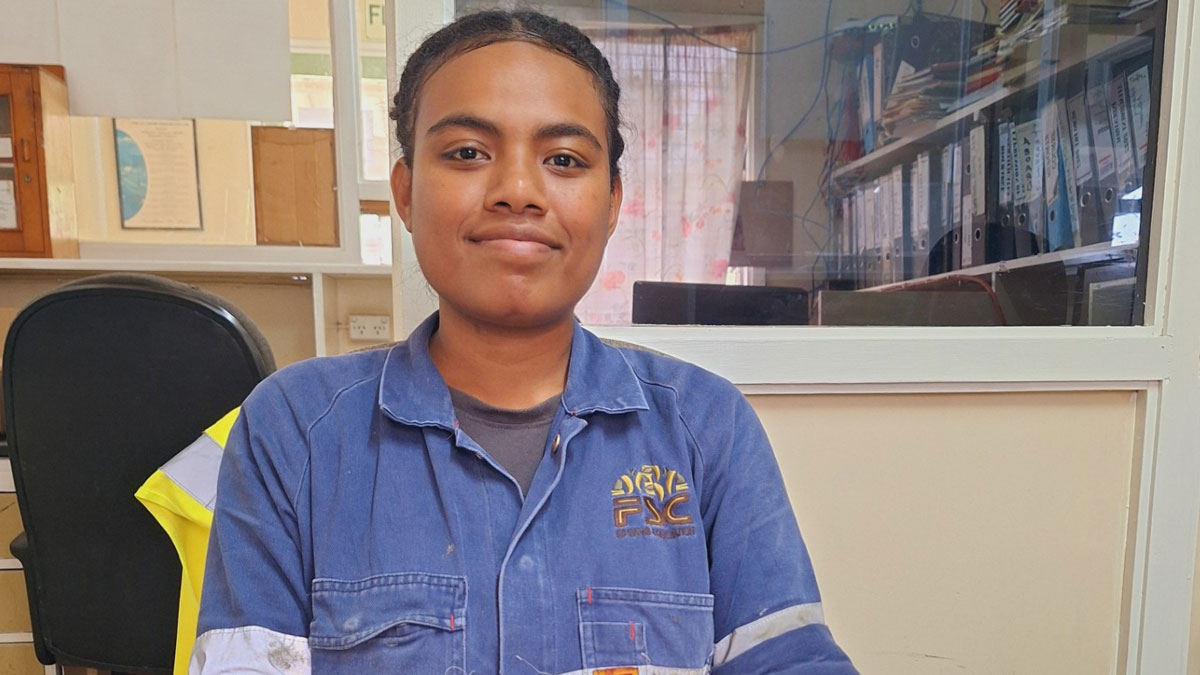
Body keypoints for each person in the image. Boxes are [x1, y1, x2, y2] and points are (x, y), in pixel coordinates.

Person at [192, 9, 858, 674]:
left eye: (563, 159)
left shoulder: (706, 427)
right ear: (406, 191)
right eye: (467, 153)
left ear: (612, 202)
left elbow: (790, 660)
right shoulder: (296, 432)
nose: (517, 191)